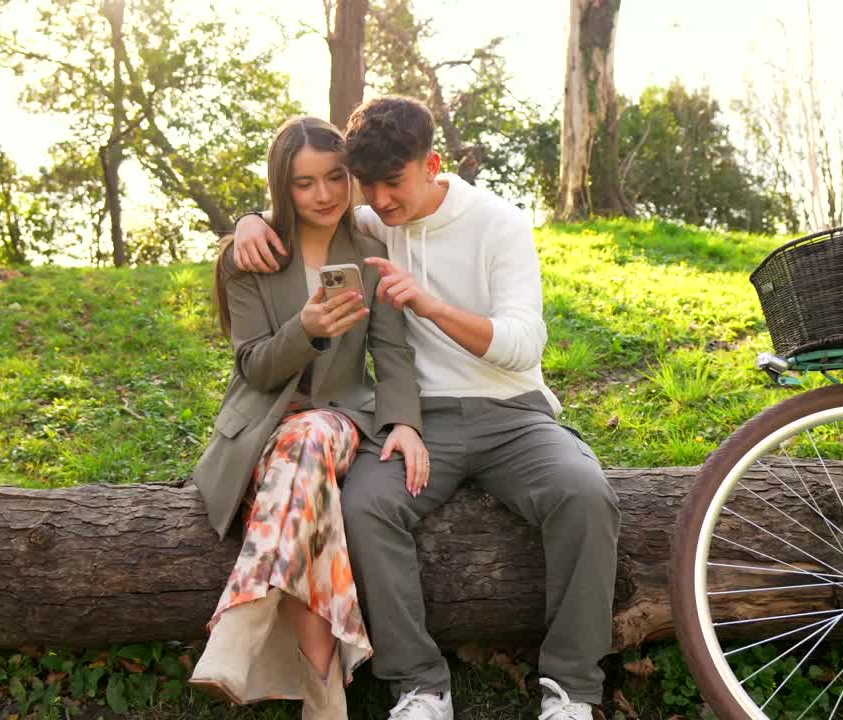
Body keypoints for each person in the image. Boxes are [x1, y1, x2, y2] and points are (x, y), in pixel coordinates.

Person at [232, 96, 620, 720]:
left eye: (394, 183)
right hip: (422, 421)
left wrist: (431, 306)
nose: (381, 201)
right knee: (366, 503)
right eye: (370, 186)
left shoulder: (500, 224)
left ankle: (570, 689)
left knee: (584, 492)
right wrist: (249, 219)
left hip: (513, 410)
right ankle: (419, 686)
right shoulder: (371, 222)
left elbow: (524, 344)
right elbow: (305, 204)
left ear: (432, 164)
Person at [188, 115, 428, 720]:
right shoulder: (249, 256)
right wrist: (306, 330)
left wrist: (404, 421)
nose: (323, 194)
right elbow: (255, 367)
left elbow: (392, 353)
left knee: (312, 435)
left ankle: (241, 624)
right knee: (304, 474)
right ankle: (324, 691)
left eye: (335, 177)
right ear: (281, 186)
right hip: (264, 432)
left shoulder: (371, 250)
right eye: (303, 183)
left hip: (340, 419)